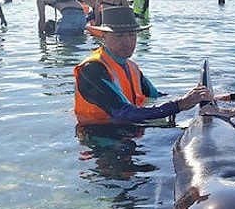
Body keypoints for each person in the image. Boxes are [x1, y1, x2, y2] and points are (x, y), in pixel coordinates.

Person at [74, 6, 210, 124]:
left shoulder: (132, 67)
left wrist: (197, 97)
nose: (127, 42)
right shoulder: (91, 69)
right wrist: (180, 105)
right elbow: (122, 112)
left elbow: (156, 96)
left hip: (129, 129)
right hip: (99, 137)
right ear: (103, 36)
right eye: (119, 36)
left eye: (132, 35)